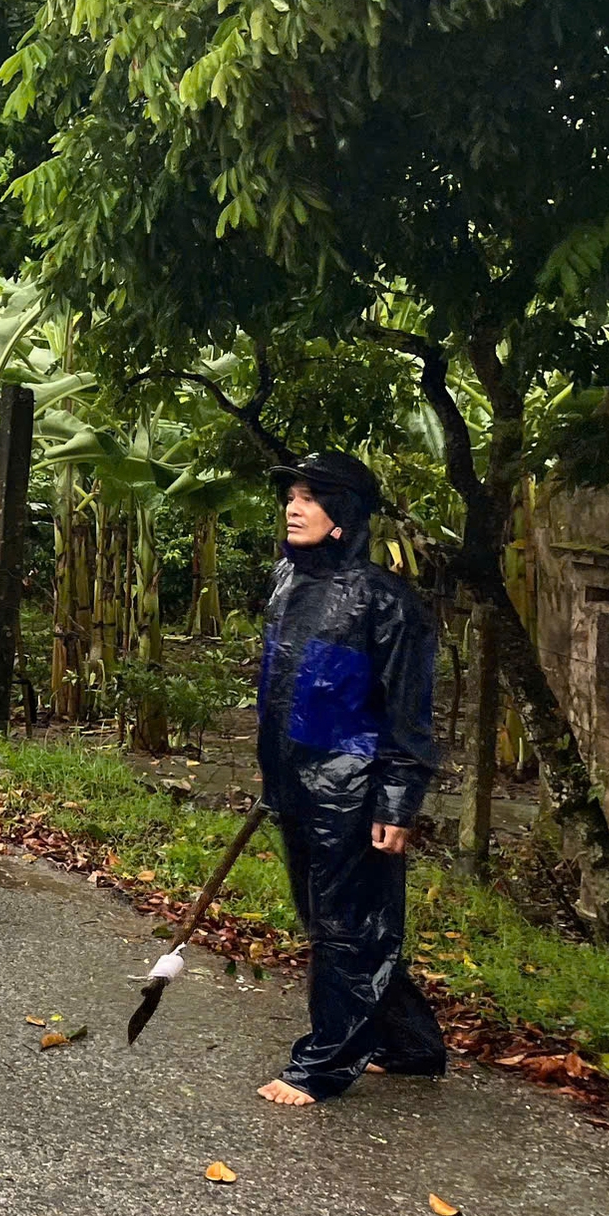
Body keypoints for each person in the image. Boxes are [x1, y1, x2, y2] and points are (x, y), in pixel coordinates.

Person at [255, 451, 446, 1106]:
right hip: (296, 782)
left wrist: (397, 799)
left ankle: (323, 1065)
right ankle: (412, 1044)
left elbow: (408, 713)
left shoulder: (387, 602)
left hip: (355, 789)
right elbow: (280, 688)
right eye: (292, 495)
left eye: (311, 497)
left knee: (347, 928)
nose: (294, 507)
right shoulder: (285, 579)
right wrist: (274, 776)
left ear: (343, 514)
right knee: (333, 922)